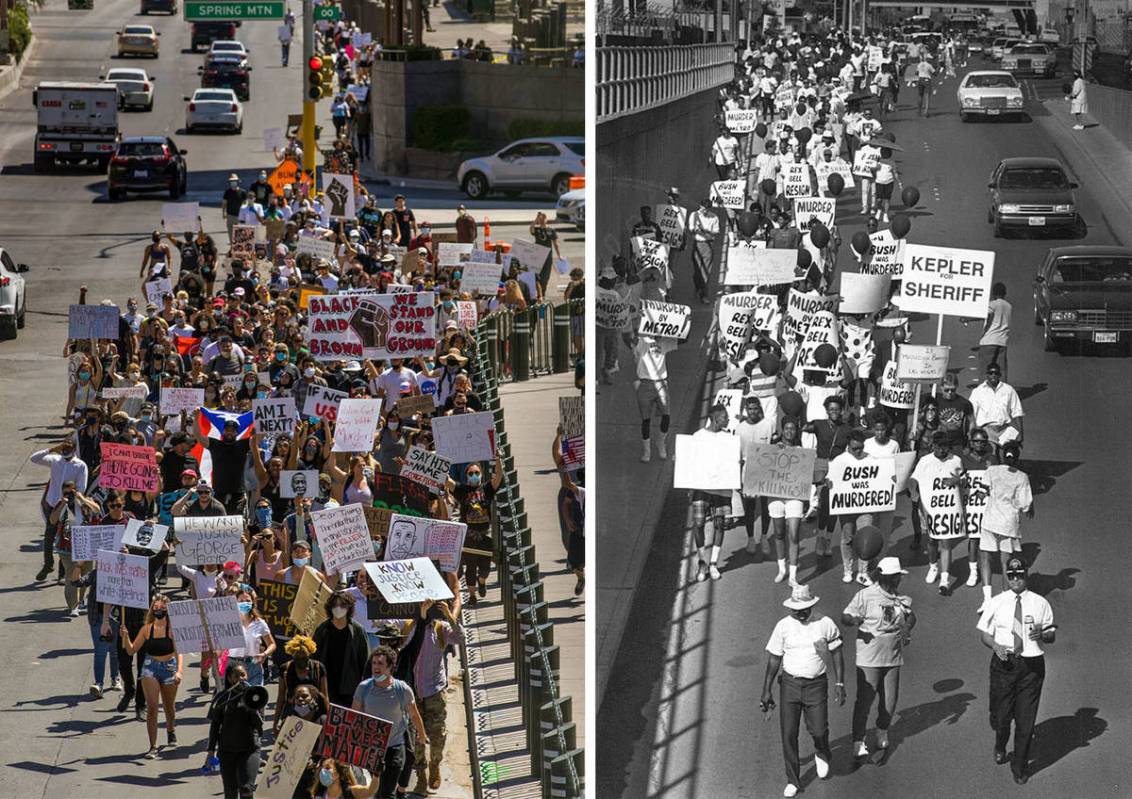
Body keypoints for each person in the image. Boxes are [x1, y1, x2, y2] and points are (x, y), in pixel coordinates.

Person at [760, 585, 845, 799]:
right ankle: (793, 779)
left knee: (818, 729)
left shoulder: (825, 624)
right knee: (788, 733)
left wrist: (840, 683)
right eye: (797, 610)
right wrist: (766, 689)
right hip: (789, 685)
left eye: (805, 609)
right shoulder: (783, 626)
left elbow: (837, 652)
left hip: (816, 685)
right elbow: (774, 658)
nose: (801, 613)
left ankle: (822, 751)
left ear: (812, 606)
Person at [976, 557, 1056, 785]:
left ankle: (1019, 766)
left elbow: (1051, 634)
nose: (1015, 579)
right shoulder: (997, 602)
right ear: (1006, 578)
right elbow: (984, 633)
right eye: (1011, 576)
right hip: (1004, 665)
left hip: (1031, 667)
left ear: (1026, 575)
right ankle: (1000, 743)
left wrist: (1044, 635)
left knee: (1026, 722)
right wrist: (995, 645)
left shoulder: (1040, 603)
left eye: (1019, 575)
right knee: (1001, 718)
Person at [842, 556, 916, 758]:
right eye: (895, 577)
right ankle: (858, 740)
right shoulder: (865, 596)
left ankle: (882, 729)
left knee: (890, 701)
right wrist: (854, 620)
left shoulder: (899, 598)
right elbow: (845, 616)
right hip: (869, 657)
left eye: (899, 577)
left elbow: (911, 616)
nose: (898, 580)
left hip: (892, 655)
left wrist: (907, 629)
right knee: (865, 700)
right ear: (884, 577)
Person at [399, 600, 463, 793]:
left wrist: (451, 618)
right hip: (413, 691)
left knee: (437, 734)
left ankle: (435, 765)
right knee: (416, 736)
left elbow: (460, 638)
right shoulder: (408, 627)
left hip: (434, 690)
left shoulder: (440, 628)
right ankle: (420, 775)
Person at [352, 646, 429, 799]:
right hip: (371, 748)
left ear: (390, 666)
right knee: (375, 790)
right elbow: (354, 717)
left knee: (387, 792)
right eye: (374, 663)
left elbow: (414, 714)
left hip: (395, 746)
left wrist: (422, 735)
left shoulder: (402, 689)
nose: (376, 667)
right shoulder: (363, 688)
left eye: (380, 664)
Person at [120, 592, 183, 758]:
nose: (159, 610)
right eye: (156, 607)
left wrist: (179, 672)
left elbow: (179, 652)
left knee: (169, 706)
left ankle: (171, 729)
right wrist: (126, 638)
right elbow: (132, 650)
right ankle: (153, 746)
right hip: (150, 667)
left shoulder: (172, 629)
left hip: (169, 667)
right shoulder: (147, 629)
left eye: (162, 608)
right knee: (152, 707)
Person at [977, 442, 1034, 611]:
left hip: (990, 521)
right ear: (1017, 457)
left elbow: (982, 491)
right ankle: (1004, 599)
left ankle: (987, 600)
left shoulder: (992, 471)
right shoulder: (1022, 477)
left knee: (985, 557)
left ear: (1003, 455)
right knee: (1005, 562)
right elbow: (1025, 504)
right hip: (1008, 524)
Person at [909, 431, 966, 595]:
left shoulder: (956, 460)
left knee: (946, 542)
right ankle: (933, 566)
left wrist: (958, 480)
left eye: (945, 447)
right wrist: (915, 495)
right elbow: (914, 480)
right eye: (939, 446)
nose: (942, 450)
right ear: (933, 446)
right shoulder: (925, 461)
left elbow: (964, 479)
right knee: (932, 541)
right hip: (929, 507)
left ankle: (945, 580)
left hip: (948, 508)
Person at [448, 453, 503, 605]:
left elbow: (498, 477)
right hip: (469, 536)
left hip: (484, 536)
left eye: (476, 473)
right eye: (471, 473)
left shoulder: (486, 489)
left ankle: (482, 581)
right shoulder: (462, 490)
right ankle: (472, 596)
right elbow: (448, 482)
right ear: (466, 476)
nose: (474, 476)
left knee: (485, 568)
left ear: (481, 474)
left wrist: (498, 459)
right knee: (470, 567)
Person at [30, 439, 89, 582]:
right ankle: (48, 565)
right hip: (52, 503)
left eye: (68, 447)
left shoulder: (80, 466)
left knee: (64, 539)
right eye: (64, 447)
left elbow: (82, 487)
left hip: (67, 505)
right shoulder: (56, 460)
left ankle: (62, 573)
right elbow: (34, 458)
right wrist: (51, 449)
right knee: (49, 536)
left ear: (74, 449)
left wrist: (72, 496)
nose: (65, 449)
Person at [207, 662, 265, 799]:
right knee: (230, 791)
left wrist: (251, 706)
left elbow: (259, 726)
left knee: (246, 789)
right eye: (236, 676)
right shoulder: (222, 698)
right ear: (229, 679)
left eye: (243, 675)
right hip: (227, 751)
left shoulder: (257, 697)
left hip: (250, 749)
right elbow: (215, 726)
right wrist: (210, 751)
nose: (240, 679)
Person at [689, 404, 733, 582]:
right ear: (715, 419)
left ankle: (713, 563)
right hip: (702, 488)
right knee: (698, 523)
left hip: (721, 489)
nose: (728, 420)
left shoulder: (728, 438)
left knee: (719, 525)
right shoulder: (698, 437)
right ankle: (702, 562)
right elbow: (690, 460)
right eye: (725, 417)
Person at [313, 591, 371, 707]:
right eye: (335, 605)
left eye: (342, 605)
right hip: (327, 682)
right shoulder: (323, 629)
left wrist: (366, 684)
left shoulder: (357, 630)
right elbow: (314, 656)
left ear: (349, 608)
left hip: (350, 684)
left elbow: (365, 659)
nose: (338, 608)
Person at [632, 333, 677, 463]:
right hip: (645, 382)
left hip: (661, 382)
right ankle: (647, 451)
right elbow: (631, 340)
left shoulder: (666, 341)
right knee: (646, 419)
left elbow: (682, 339)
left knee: (666, 415)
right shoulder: (643, 341)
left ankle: (660, 442)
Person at [969, 364, 1024, 449]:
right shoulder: (978, 391)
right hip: (987, 430)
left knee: (1010, 455)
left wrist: (1020, 433)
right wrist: (972, 433)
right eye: (991, 373)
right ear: (987, 375)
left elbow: (1017, 412)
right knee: (992, 455)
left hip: (1004, 429)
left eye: (996, 373)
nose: (993, 375)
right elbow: (971, 414)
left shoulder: (1008, 390)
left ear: (1000, 375)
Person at [976, 282, 1011, 381]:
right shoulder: (1009, 306)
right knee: (1002, 371)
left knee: (984, 370)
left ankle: (983, 393)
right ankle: (1003, 392)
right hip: (1002, 342)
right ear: (1005, 293)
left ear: (993, 293)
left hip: (989, 341)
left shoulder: (993, 304)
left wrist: (966, 319)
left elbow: (984, 314)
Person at [688, 198, 720, 303]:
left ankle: (704, 295)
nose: (704, 210)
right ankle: (698, 287)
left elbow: (715, 232)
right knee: (697, 271)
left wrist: (706, 231)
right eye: (703, 208)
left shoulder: (714, 217)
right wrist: (696, 230)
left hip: (708, 245)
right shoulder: (694, 215)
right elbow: (691, 229)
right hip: (697, 244)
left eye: (707, 208)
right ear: (700, 206)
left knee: (706, 271)